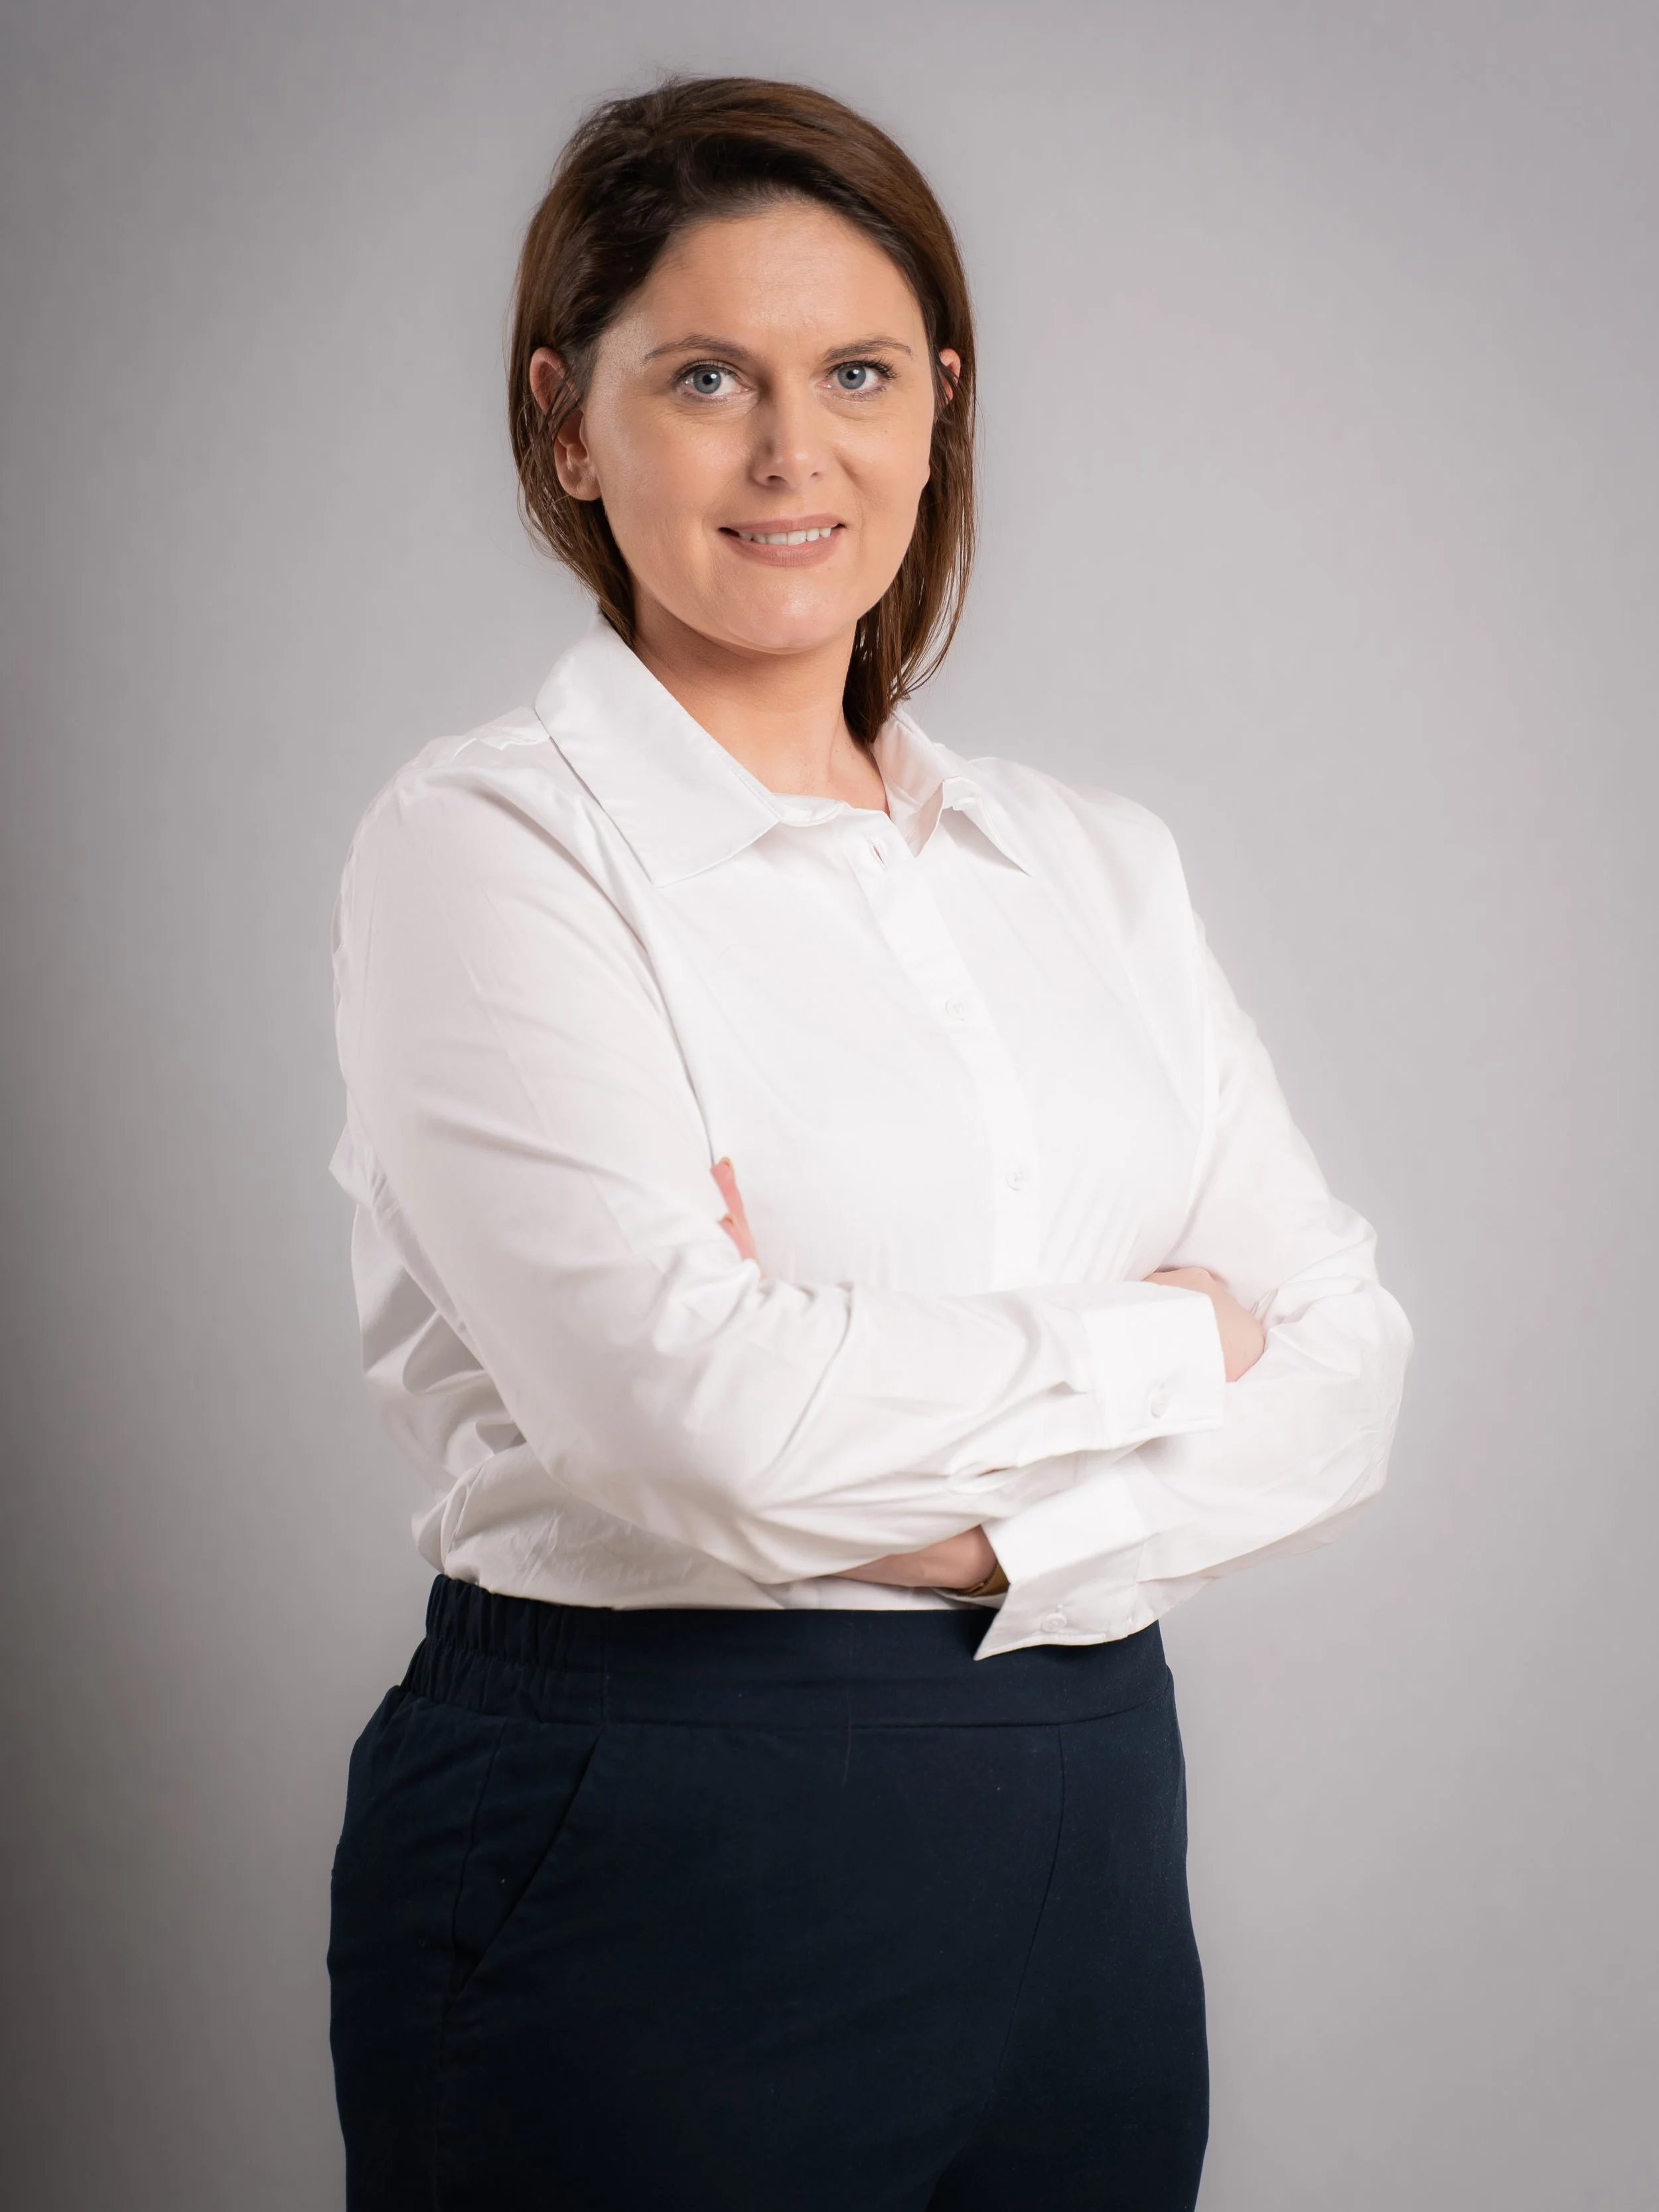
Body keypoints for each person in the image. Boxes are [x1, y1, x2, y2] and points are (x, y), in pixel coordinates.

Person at [324, 74, 1412, 2212]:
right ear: (567, 421)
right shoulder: (494, 850)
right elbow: (691, 1426)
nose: (789, 452)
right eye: (704, 374)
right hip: (647, 1834)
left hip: (1083, 1834)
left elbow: (1350, 1361)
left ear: (940, 409)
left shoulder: (1091, 868)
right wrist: (1163, 1343)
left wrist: (925, 1477)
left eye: (856, 374)